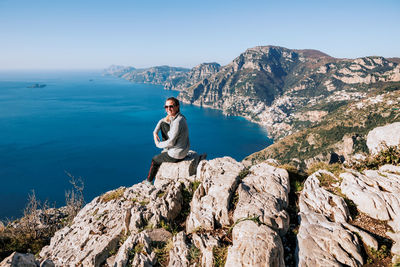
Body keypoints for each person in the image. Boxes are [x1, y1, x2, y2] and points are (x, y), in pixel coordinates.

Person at [146, 97, 190, 184]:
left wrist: (158, 144)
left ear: (177, 107)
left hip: (177, 154)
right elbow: (162, 121)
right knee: (164, 124)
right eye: (166, 107)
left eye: (171, 106)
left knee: (155, 160)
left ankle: (149, 181)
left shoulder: (177, 122)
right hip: (183, 149)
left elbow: (171, 142)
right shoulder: (179, 117)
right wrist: (155, 132)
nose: (168, 109)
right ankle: (166, 150)